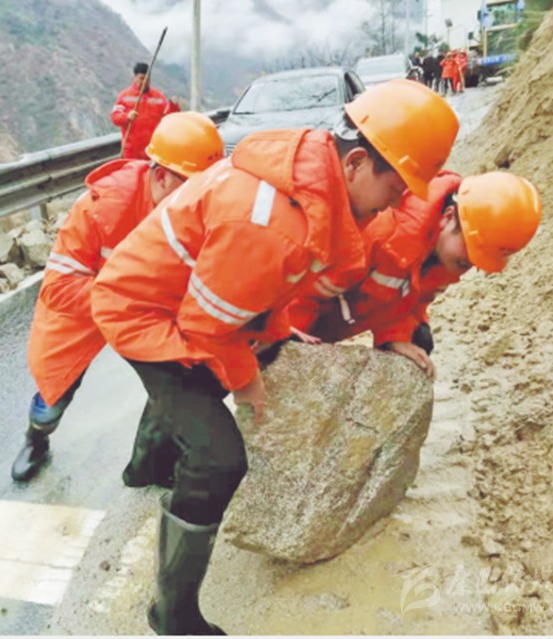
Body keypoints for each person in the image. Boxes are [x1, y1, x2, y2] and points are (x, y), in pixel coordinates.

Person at [90, 79, 459, 635]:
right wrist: (247, 379)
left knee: (203, 392)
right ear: (357, 162)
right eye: (397, 186)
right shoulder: (272, 219)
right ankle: (172, 615)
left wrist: (281, 332)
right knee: (217, 459)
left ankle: (144, 465)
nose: (399, 202)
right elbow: (209, 326)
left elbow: (266, 285)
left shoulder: (310, 186)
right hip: (144, 313)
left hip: (181, 302)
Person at [11, 112, 224, 482]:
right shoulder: (98, 209)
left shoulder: (195, 210)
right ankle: (37, 438)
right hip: (88, 310)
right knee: (54, 393)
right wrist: (126, 298)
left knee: (177, 379)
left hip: (149, 313)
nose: (198, 198)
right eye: (190, 186)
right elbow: (58, 289)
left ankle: (150, 462)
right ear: (161, 176)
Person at [286, 171, 542, 379]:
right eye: (472, 250)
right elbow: (304, 291)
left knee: (420, 340)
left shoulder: (447, 257)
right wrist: (287, 348)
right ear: (448, 217)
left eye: (481, 258)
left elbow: (410, 298)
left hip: (330, 325)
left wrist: (393, 338)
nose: (472, 264)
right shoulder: (382, 235)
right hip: (288, 313)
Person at [111, 62, 181, 160]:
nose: (145, 81)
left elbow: (168, 117)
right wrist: (127, 117)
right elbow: (115, 117)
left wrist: (174, 106)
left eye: (148, 79)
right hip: (132, 152)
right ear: (134, 77)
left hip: (152, 150)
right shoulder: (124, 96)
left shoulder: (158, 96)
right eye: (142, 78)